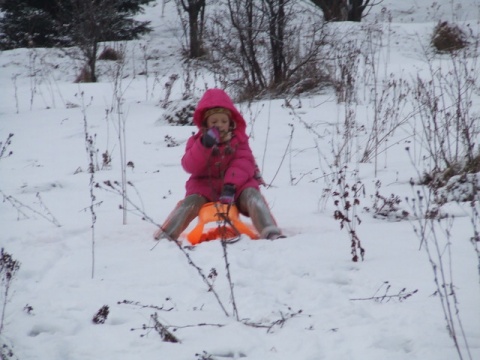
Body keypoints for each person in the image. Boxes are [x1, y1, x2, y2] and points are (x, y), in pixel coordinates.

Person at [154, 88, 284, 242]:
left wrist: (231, 186)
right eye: (214, 122)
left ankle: (269, 230)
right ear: (206, 124)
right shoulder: (196, 142)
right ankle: (167, 234)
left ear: (231, 122)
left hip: (236, 189)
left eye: (224, 121)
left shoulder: (239, 141)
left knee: (253, 196)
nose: (220, 125)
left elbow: (244, 163)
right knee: (189, 203)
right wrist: (204, 146)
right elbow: (189, 166)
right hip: (205, 188)